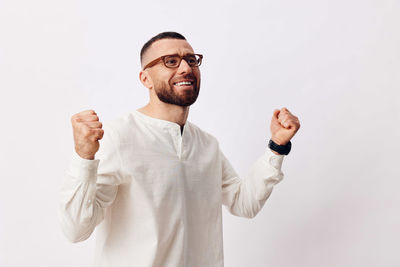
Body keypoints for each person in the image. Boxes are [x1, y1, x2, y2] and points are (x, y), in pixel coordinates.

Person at [59, 31, 300, 267]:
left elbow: (244, 203)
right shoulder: (118, 137)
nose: (185, 68)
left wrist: (277, 147)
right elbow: (76, 229)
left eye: (191, 60)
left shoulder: (207, 145)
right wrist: (84, 156)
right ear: (146, 79)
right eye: (171, 61)